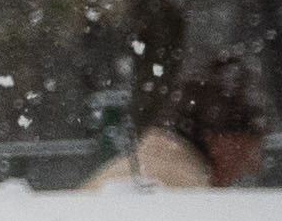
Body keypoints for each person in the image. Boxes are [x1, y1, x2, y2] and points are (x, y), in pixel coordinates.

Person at [84, 59, 269, 189]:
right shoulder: (187, 194)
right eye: (251, 149)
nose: (252, 167)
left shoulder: (118, 175)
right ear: (221, 140)